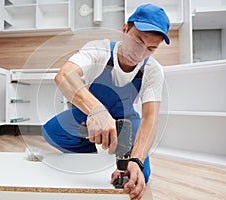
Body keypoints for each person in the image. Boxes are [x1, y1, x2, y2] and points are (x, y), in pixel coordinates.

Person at [42, 3, 170, 200]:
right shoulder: (98, 49)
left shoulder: (153, 70)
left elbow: (150, 119)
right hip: (86, 113)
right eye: (137, 41)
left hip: (125, 119)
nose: (140, 53)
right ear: (125, 30)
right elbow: (64, 75)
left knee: (138, 174)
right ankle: (89, 158)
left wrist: (136, 159)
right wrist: (96, 111)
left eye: (151, 48)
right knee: (52, 131)